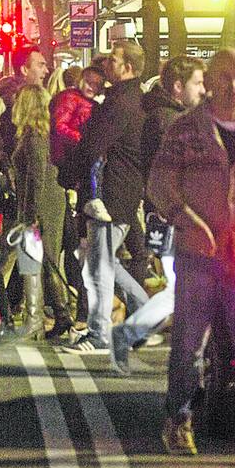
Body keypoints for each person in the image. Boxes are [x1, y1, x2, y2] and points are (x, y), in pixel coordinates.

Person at [148, 48, 235, 465]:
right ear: (208, 80)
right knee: (190, 343)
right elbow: (160, 181)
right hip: (198, 255)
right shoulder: (184, 130)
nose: (232, 84)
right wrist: (186, 219)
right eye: (224, 76)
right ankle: (178, 417)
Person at [109, 56, 206, 374]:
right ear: (179, 86)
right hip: (170, 216)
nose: (202, 90)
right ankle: (129, 334)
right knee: (183, 286)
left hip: (165, 215)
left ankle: (190, 353)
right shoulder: (167, 120)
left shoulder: (168, 116)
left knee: (185, 286)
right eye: (197, 83)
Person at [62, 40, 149, 355]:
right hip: (121, 192)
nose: (106, 65)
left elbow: (92, 145)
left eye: (113, 59)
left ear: (125, 67)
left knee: (97, 268)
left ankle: (99, 333)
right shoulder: (130, 99)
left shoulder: (119, 104)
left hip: (109, 195)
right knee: (105, 263)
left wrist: (68, 175)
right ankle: (144, 316)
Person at [9, 84, 70, 342]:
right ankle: (59, 313)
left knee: (37, 260)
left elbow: (36, 176)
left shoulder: (34, 136)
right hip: (49, 202)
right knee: (44, 261)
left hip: (40, 204)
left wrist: (30, 212)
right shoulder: (42, 134)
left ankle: (39, 318)